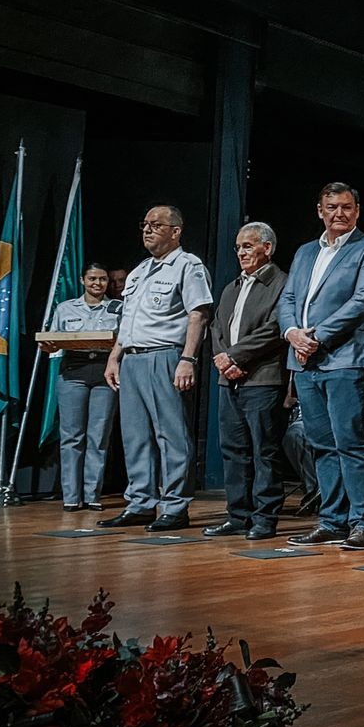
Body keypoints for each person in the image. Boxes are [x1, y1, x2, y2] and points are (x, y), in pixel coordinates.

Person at [278, 182, 364, 550]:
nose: (338, 214)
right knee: (321, 444)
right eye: (331, 207)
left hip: (345, 359)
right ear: (319, 210)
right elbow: (289, 298)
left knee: (350, 443)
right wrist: (293, 332)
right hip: (305, 361)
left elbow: (363, 301)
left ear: (357, 211)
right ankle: (332, 520)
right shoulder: (305, 251)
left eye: (346, 207)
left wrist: (316, 337)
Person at [98, 205, 214, 532]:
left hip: (164, 356)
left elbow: (199, 314)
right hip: (132, 357)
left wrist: (187, 358)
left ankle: (175, 505)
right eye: (144, 224)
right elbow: (128, 320)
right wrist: (114, 356)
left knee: (171, 433)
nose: (147, 230)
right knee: (134, 435)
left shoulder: (187, 267)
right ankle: (141, 502)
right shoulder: (138, 271)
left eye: (156, 225)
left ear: (175, 231)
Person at [202, 223, 289, 542]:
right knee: (233, 450)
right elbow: (216, 329)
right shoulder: (231, 287)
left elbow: (275, 328)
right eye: (239, 247)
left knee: (264, 450)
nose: (241, 252)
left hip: (263, 380)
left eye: (248, 246)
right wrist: (224, 360)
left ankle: (265, 518)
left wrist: (236, 357)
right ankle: (238, 515)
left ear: (267, 248)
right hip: (230, 382)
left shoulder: (282, 283)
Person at [41, 262, 120, 510]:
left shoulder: (118, 309)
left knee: (98, 436)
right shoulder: (65, 309)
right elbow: (53, 341)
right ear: (82, 280)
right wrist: (49, 345)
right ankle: (72, 497)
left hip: (104, 373)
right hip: (73, 372)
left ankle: (92, 495)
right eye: (92, 279)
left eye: (103, 280)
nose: (97, 284)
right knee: (72, 436)